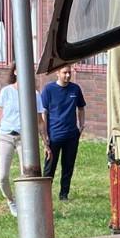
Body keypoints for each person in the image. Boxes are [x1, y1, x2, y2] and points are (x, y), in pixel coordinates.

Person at [0, 67, 42, 217]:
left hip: (25, 138)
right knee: (2, 177)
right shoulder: (6, 92)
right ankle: (11, 200)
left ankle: (27, 205)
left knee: (26, 175)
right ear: (15, 72)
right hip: (6, 136)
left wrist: (45, 141)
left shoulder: (34, 94)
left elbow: (40, 121)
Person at [38, 65, 87, 201]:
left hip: (71, 136)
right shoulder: (49, 89)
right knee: (49, 167)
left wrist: (81, 125)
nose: (68, 75)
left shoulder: (75, 89)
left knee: (68, 166)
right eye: (65, 73)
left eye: (69, 73)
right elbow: (44, 113)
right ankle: (45, 195)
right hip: (54, 136)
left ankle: (64, 194)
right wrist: (45, 135)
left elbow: (81, 108)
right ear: (57, 73)